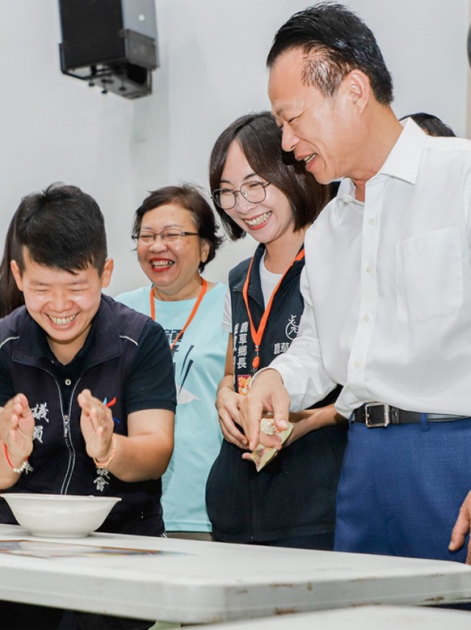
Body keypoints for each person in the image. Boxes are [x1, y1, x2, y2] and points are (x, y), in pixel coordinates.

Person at [240, 2, 471, 564]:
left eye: (293, 119)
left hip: (452, 454)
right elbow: (324, 348)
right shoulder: (328, 230)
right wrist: (276, 379)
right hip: (364, 465)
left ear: (354, 91)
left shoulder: (461, 179)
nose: (288, 142)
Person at [0, 183, 175, 629]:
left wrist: (110, 449)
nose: (60, 306)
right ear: (18, 276)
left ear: (106, 273)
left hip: (121, 552)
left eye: (77, 287)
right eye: (41, 287)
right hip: (18, 557)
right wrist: (10, 451)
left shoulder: (141, 340)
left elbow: (156, 450)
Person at [205, 112, 346, 550]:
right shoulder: (238, 279)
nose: (243, 206)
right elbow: (234, 372)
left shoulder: (335, 259)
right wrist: (225, 396)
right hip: (237, 499)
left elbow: (364, 388)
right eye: (227, 193)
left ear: (292, 171)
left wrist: (304, 421)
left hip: (316, 496)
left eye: (254, 185)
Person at [116, 184, 227, 539]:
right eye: (146, 235)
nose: (157, 245)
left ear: (205, 247)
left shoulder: (233, 307)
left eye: (173, 234)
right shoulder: (118, 311)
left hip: (206, 510)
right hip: (127, 507)